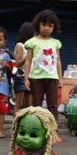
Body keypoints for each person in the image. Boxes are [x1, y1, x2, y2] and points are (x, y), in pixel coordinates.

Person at [24, 9, 63, 143]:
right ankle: (37, 131)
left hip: (52, 77)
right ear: (38, 25)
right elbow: (28, 61)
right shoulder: (32, 42)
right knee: (37, 106)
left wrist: (60, 78)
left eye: (50, 25)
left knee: (53, 106)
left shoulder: (55, 43)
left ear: (54, 27)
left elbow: (58, 61)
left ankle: (53, 133)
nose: (47, 28)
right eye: (44, 24)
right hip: (36, 78)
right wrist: (26, 78)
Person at [12, 22, 34, 116]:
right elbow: (16, 63)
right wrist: (28, 56)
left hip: (31, 76)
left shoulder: (33, 46)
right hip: (21, 76)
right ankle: (15, 127)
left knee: (29, 105)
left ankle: (26, 126)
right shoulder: (20, 45)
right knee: (19, 104)